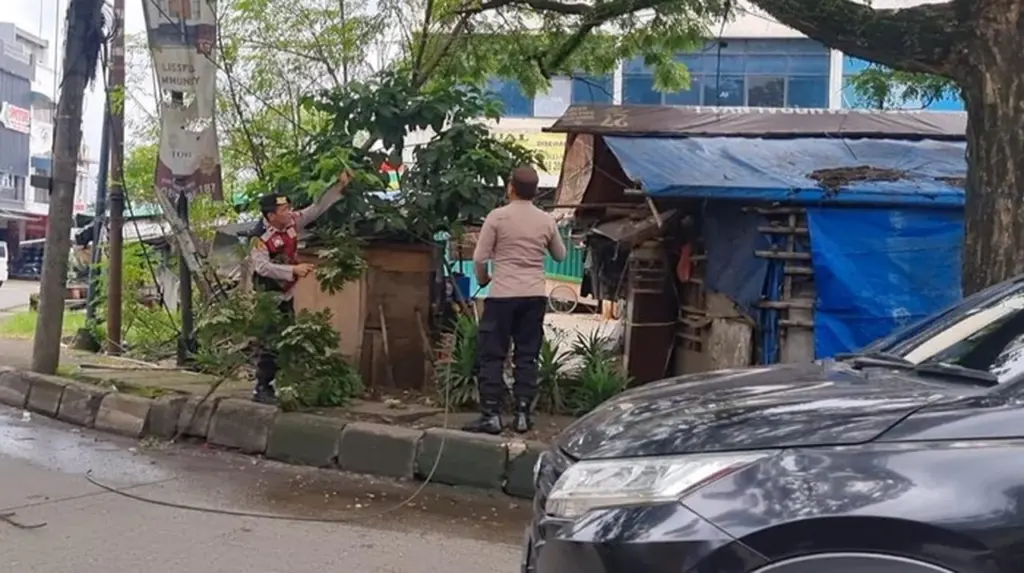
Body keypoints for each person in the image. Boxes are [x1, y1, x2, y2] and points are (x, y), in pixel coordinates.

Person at [463, 165, 566, 434]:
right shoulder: (546, 220)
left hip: (502, 295)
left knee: (493, 356)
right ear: (535, 191)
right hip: (534, 295)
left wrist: (483, 280)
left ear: (511, 187)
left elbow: (479, 258)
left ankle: (491, 415)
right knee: (526, 357)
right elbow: (560, 256)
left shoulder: (497, 217)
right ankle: (522, 416)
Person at [250, 170, 353, 404]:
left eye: (288, 208)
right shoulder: (260, 238)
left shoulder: (292, 222)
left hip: (288, 291)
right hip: (269, 295)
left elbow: (316, 209)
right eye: (283, 210)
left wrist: (339, 186)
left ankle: (282, 383)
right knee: (271, 340)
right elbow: (262, 267)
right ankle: (262, 386)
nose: (289, 212)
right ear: (271, 215)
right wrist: (293, 270)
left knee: (288, 337)